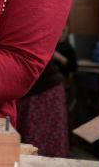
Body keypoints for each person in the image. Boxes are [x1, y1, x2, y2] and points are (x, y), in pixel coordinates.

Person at [17, 26, 77, 157]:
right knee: (31, 136)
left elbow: (73, 66)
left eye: (64, 32)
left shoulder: (65, 48)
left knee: (42, 138)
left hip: (46, 91)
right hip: (34, 90)